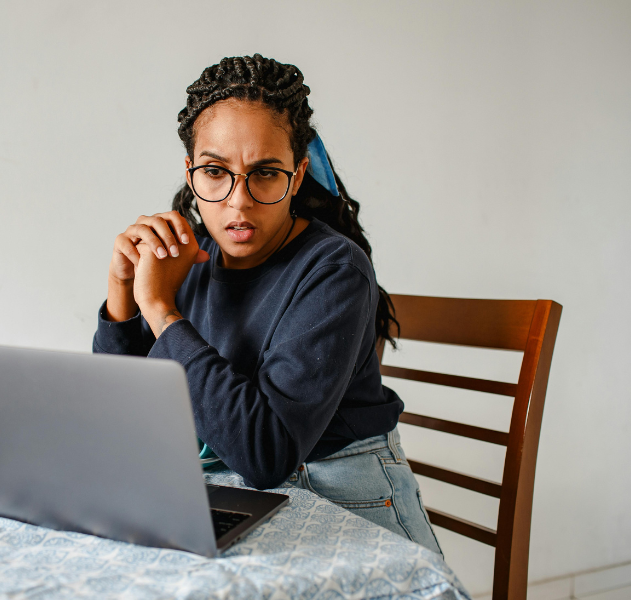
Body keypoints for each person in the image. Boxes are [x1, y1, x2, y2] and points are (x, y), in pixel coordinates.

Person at [92, 54, 442, 554]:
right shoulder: (188, 257)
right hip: (240, 495)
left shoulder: (334, 269)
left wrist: (161, 310)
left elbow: (266, 452)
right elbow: (122, 421)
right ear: (190, 171)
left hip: (344, 504)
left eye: (265, 174)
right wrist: (122, 297)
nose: (238, 201)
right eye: (216, 171)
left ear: (296, 176)